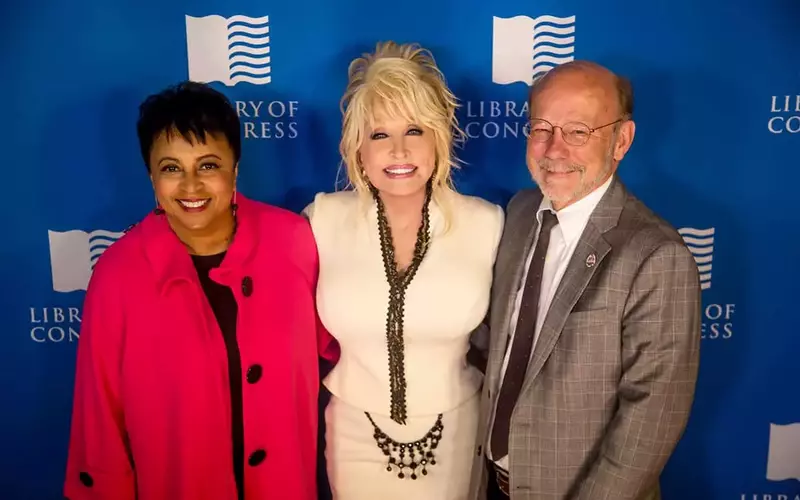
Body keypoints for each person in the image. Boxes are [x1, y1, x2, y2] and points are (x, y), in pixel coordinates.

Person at [63, 81, 338, 500]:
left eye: (208, 165)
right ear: (151, 175)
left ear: (235, 168)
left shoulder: (295, 242)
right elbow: (98, 421)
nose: (190, 186)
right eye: (171, 167)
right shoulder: (118, 275)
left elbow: (348, 349)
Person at [467, 61, 702, 500]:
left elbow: (650, 423)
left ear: (621, 140)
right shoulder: (519, 213)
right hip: (489, 485)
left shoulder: (655, 256)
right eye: (541, 128)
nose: (554, 149)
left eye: (577, 131)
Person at [303, 41, 504, 500]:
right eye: (379, 135)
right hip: (352, 429)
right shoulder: (322, 220)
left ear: (439, 138)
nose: (399, 151)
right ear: (358, 149)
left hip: (457, 429)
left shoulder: (487, 222)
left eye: (415, 130)